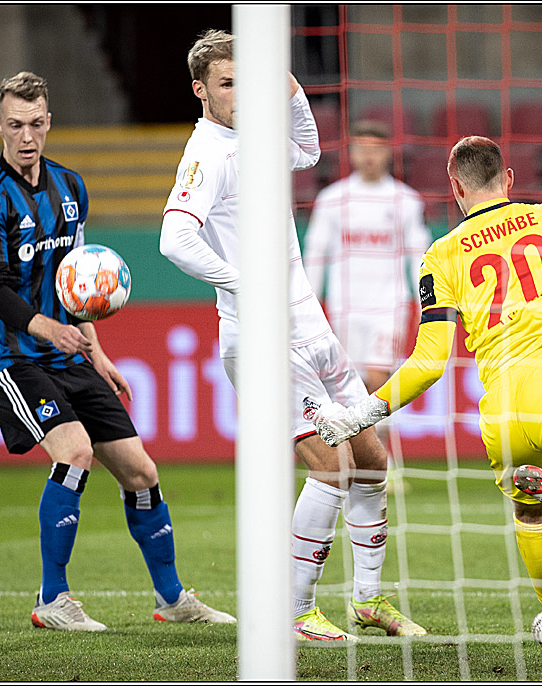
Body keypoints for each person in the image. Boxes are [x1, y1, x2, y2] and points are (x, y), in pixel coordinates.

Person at [313, 135, 542, 649]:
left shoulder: (442, 255)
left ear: (455, 188)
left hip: (502, 403)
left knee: (531, 511)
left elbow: (429, 363)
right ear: (510, 179)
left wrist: (360, 414)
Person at [158, 29, 425, 643]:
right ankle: (295, 610)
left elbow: (305, 150)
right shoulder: (210, 154)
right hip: (260, 336)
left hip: (311, 325)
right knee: (328, 466)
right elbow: (175, 239)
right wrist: (240, 280)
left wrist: (292, 87)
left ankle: (367, 600)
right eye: (229, 83)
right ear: (201, 91)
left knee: (370, 458)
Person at [0, 71, 233, 632]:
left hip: (68, 355)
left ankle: (173, 598)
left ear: (49, 122)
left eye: (36, 123)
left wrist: (97, 352)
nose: (27, 135)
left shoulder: (71, 188)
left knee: (141, 472)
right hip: (11, 360)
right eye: (15, 125)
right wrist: (47, 330)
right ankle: (52, 599)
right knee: (75, 450)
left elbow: (77, 279)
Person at [303, 119, 431, 395]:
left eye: (375, 149)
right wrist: (309, 304)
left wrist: (425, 305)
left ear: (387, 153)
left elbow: (418, 257)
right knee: (352, 386)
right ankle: (369, 437)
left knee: (378, 378)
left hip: (389, 305)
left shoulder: (406, 200)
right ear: (351, 153)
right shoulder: (332, 199)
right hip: (345, 306)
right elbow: (316, 254)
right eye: (361, 149)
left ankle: (382, 436)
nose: (368, 156)